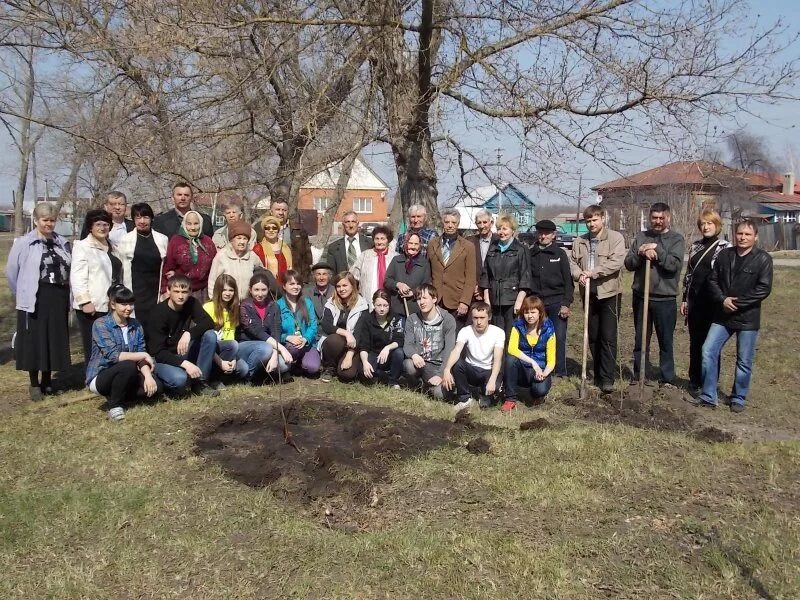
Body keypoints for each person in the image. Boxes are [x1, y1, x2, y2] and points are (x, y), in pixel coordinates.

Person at [692, 220, 773, 412]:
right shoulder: (725, 256)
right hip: (722, 315)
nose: (743, 237)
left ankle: (738, 397)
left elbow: (763, 288)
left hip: (748, 317)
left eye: (747, 234)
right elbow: (712, 280)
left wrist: (737, 303)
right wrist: (722, 300)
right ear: (734, 235)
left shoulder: (763, 259)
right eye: (740, 234)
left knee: (744, 360)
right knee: (708, 350)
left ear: (755, 237)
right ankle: (708, 395)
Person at [6, 202, 72, 400]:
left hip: (58, 296)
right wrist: (22, 292)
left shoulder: (62, 241)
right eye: (45, 220)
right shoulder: (24, 243)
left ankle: (47, 380)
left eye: (52, 220)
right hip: (35, 297)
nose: (48, 224)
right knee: (35, 340)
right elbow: (11, 272)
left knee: (53, 338)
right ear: (36, 220)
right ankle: (34, 384)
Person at [624, 202, 684, 386]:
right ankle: (640, 374)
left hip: (664, 297)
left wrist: (657, 250)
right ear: (650, 218)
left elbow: (673, 266)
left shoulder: (676, 239)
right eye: (654, 218)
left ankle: (667, 378)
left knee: (665, 340)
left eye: (661, 218)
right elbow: (629, 264)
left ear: (668, 218)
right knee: (641, 338)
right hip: (642, 296)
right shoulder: (642, 237)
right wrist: (641, 253)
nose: (657, 221)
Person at [569, 204, 626, 393]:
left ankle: (607, 377)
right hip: (589, 294)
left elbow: (616, 262)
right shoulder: (580, 241)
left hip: (609, 293)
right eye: (588, 221)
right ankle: (598, 373)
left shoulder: (615, 238)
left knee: (607, 336)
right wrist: (579, 274)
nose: (591, 224)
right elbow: (572, 262)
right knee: (592, 335)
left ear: (602, 219)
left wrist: (594, 273)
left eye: (594, 220)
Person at [86, 284, 161, 421]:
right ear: (113, 305)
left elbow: (140, 351)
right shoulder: (100, 324)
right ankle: (115, 406)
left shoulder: (136, 325)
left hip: (129, 372)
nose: (128, 308)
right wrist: (144, 355)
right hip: (102, 375)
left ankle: (123, 394)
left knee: (156, 387)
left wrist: (148, 376)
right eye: (124, 304)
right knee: (127, 365)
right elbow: (114, 356)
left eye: (131, 304)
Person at [681, 210, 731, 391]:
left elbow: (726, 277)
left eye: (709, 223)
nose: (706, 227)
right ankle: (694, 379)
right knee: (695, 342)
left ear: (717, 225)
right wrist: (684, 299)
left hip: (713, 302)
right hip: (695, 301)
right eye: (703, 224)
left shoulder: (725, 247)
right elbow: (688, 274)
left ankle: (709, 382)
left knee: (711, 345)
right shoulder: (695, 246)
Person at [147, 274, 220, 397]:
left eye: (184, 292)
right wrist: (185, 364)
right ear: (168, 291)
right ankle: (163, 382)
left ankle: (200, 383)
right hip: (163, 358)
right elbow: (158, 352)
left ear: (190, 292)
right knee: (179, 379)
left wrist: (189, 333)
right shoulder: (158, 313)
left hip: (182, 351)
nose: (181, 296)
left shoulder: (191, 303)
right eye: (176, 291)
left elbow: (208, 322)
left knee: (210, 335)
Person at [71, 209, 122, 363]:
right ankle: (92, 376)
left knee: (110, 343)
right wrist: (85, 301)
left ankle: (108, 376)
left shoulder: (113, 246)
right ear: (90, 227)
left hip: (110, 304)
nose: (102, 228)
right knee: (93, 344)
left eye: (106, 224)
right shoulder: (83, 247)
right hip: (92, 305)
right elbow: (77, 276)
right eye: (98, 224)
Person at [114, 202, 168, 334]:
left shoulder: (162, 239)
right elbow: (119, 268)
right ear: (133, 220)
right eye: (138, 217)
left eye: (145, 217)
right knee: (136, 326)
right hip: (135, 290)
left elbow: (167, 265)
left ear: (151, 218)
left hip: (155, 291)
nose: (142, 221)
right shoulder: (125, 240)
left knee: (155, 325)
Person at [529, 219, 574, 377]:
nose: (543, 236)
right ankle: (539, 368)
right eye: (540, 233)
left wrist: (566, 303)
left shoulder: (559, 254)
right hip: (537, 304)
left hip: (556, 302)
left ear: (553, 235)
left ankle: (560, 371)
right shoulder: (531, 254)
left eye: (547, 233)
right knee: (538, 336)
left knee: (558, 337)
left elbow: (568, 282)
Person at [442, 301, 505, 411]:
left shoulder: (498, 332)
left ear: (489, 317)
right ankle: (465, 399)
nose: (478, 322)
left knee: (491, 396)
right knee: (458, 364)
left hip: (488, 371)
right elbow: (456, 350)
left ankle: (483, 395)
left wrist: (492, 379)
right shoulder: (465, 330)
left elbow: (498, 359)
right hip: (471, 369)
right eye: (475, 318)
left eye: (482, 317)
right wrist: (447, 370)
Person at [479, 213, 532, 336]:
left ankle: (510, 356)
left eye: (504, 228)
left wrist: (519, 301)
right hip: (494, 301)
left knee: (511, 336)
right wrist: (487, 299)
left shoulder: (521, 250)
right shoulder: (493, 248)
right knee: (495, 336)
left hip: (512, 301)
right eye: (499, 229)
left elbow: (525, 277)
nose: (501, 232)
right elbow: (486, 274)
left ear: (512, 230)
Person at [502, 295, 556, 411]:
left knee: (540, 390)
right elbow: (511, 349)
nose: (529, 316)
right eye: (526, 312)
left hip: (540, 370)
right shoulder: (518, 326)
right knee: (510, 359)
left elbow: (551, 360)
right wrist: (532, 363)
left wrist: (544, 373)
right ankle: (510, 399)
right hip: (522, 367)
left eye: (533, 312)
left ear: (540, 313)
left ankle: (535, 394)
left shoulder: (549, 330)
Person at [403, 284, 457, 400]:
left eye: (425, 298)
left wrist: (441, 374)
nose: (421, 302)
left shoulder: (447, 320)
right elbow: (407, 345)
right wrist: (414, 355)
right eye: (418, 299)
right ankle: (418, 386)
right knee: (408, 364)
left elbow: (450, 350)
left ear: (434, 299)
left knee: (440, 395)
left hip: (439, 366)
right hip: (421, 364)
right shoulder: (412, 319)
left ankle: (429, 388)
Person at [238, 271, 293, 380]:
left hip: (268, 346)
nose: (260, 294)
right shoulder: (245, 306)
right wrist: (281, 348)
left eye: (263, 290)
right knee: (266, 349)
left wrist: (274, 355)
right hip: (246, 345)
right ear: (250, 290)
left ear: (268, 290)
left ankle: (264, 373)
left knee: (284, 364)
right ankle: (249, 376)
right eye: (256, 290)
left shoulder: (274, 306)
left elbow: (276, 331)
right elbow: (256, 331)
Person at [428, 208, 477, 329]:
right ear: (442, 223)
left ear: (458, 224)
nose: (450, 225)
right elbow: (428, 272)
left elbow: (471, 277)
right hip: (436, 299)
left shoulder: (468, 246)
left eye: (453, 223)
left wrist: (465, 301)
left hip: (457, 300)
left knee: (455, 337)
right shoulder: (433, 244)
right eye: (447, 222)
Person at [319, 272, 370, 382]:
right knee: (334, 340)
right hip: (335, 343)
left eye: (345, 285)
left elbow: (359, 333)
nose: (341, 289)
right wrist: (346, 333)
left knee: (347, 375)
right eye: (338, 286)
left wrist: (349, 355)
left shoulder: (362, 305)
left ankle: (342, 363)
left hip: (353, 345)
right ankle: (329, 367)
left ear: (353, 286)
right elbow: (326, 326)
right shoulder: (331, 303)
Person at [204, 274, 249, 387]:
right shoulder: (208, 307)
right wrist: (220, 362)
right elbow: (204, 342)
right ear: (218, 290)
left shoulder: (233, 310)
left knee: (243, 369)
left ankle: (223, 376)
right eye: (224, 290)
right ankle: (212, 379)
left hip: (227, 349)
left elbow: (230, 337)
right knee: (233, 345)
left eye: (231, 290)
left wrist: (233, 359)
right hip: (210, 352)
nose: (228, 293)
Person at [161, 210, 217, 302]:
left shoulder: (208, 242)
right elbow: (168, 268)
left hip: (205, 291)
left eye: (196, 223)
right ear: (184, 224)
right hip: (182, 290)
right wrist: (165, 290)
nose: (193, 227)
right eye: (189, 224)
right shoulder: (176, 241)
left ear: (201, 224)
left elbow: (215, 267)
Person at [356, 289, 406, 388]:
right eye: (379, 305)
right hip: (374, 354)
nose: (382, 309)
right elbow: (364, 345)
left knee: (399, 352)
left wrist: (387, 348)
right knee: (363, 371)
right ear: (374, 304)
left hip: (390, 354)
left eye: (385, 305)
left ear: (389, 305)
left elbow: (399, 340)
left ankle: (393, 380)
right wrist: (365, 362)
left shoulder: (396, 319)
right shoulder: (367, 319)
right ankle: (383, 376)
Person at [254, 198, 313, 282]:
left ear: (288, 212)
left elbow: (307, 258)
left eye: (284, 210)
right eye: (277, 209)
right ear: (271, 211)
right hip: (268, 279)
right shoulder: (260, 228)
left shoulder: (298, 230)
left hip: (294, 278)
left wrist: (304, 279)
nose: (281, 213)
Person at [276, 269, 321, 377]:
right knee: (293, 347)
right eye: (291, 284)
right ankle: (288, 366)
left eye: (298, 284)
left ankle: (299, 364)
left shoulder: (307, 302)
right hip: (289, 345)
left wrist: (306, 338)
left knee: (313, 368)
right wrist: (286, 337)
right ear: (284, 286)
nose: (296, 287)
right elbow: (274, 330)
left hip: (307, 343)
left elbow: (313, 325)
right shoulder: (277, 305)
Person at [207, 220, 264, 299]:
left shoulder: (252, 256)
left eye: (245, 238)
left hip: (247, 302)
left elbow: (262, 275)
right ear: (231, 240)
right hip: (227, 302)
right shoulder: (222, 256)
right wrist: (213, 300)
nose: (242, 242)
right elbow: (212, 281)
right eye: (239, 238)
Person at [384, 232, 432, 316]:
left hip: (416, 309)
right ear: (405, 244)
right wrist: (398, 285)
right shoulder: (396, 260)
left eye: (416, 244)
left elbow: (426, 285)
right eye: (410, 243)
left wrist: (413, 292)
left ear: (420, 246)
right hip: (397, 309)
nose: (413, 246)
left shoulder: (424, 263)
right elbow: (387, 281)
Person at [350, 226, 396, 309]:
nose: (379, 242)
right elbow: (352, 275)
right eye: (376, 239)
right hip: (368, 301)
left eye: (382, 239)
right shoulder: (365, 255)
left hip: (390, 301)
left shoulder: (395, 257)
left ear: (388, 240)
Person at [254, 215, 292, 282]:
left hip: (285, 284)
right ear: (264, 230)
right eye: (267, 228)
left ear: (278, 230)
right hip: (267, 285)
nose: (271, 230)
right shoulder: (258, 249)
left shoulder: (285, 247)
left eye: (274, 228)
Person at [468, 209, 496, 302]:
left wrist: (484, 287)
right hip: (473, 290)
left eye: (485, 222)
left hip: (493, 290)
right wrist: (476, 286)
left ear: (491, 223)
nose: (482, 226)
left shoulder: (499, 241)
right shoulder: (469, 241)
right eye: (479, 223)